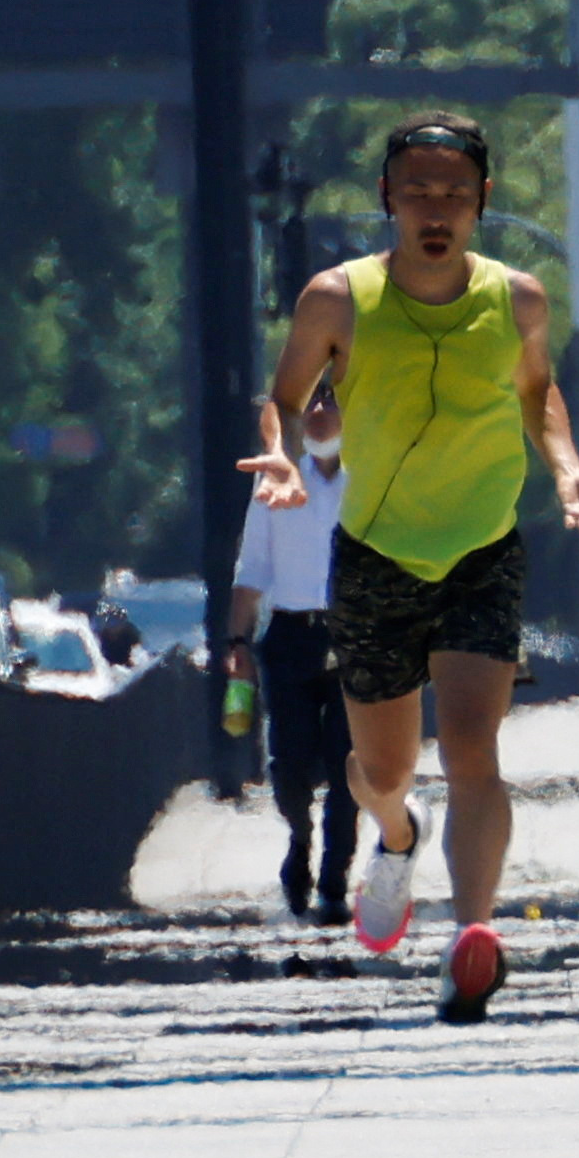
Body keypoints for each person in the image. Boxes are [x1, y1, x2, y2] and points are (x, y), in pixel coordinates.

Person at [237, 111, 579, 1024]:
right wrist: (283, 454)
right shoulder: (337, 299)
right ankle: (395, 833)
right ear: (388, 198)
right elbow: (285, 398)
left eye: (454, 191)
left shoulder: (518, 300)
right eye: (417, 189)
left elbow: (539, 397)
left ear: (482, 202)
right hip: (376, 558)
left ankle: (475, 935)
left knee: (472, 749)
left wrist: (568, 470)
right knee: (375, 770)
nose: (436, 206)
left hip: (481, 551)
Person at [227, 379, 357, 925]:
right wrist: (237, 645)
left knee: (349, 764)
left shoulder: (372, 481)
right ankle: (299, 838)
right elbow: (252, 568)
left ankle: (333, 877)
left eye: (334, 400)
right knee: (289, 764)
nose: (323, 411)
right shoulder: (275, 481)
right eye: (314, 402)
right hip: (290, 637)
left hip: (353, 637)